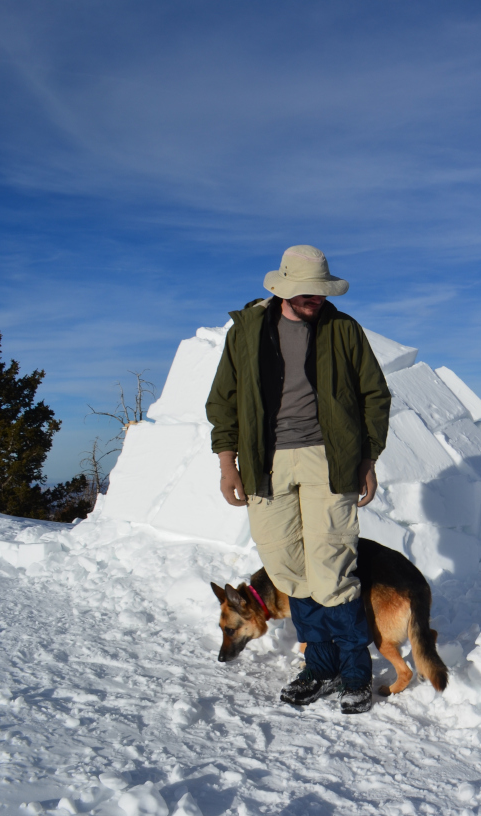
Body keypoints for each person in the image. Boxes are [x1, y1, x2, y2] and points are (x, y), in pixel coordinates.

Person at [206, 245, 391, 714]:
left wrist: (367, 458)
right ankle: (320, 665)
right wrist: (228, 463)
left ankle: (351, 672)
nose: (317, 301)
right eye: (308, 294)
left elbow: (375, 395)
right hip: (264, 462)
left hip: (328, 458)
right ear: (284, 289)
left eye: (322, 293)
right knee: (287, 568)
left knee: (331, 568)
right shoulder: (247, 331)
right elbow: (223, 401)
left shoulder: (342, 328)